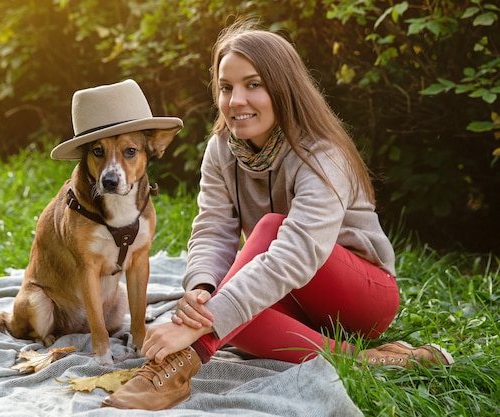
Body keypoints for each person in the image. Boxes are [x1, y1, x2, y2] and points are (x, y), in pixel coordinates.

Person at [102, 19, 454, 411]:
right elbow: (213, 230)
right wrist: (200, 292)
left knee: (266, 238)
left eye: (253, 84)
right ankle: (370, 359)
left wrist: (197, 329)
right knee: (232, 316)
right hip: (288, 291)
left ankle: (182, 363)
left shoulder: (322, 153)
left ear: (283, 88)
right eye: (226, 87)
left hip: (360, 296)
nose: (236, 100)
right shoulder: (222, 149)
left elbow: (296, 252)